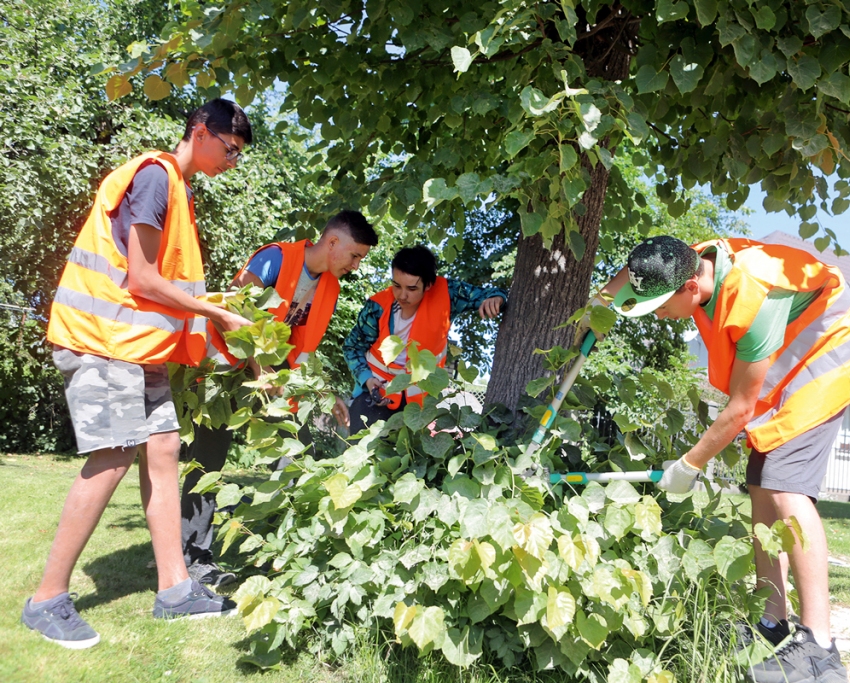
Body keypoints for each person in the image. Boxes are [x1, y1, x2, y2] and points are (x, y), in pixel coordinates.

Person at [24, 99, 253, 649]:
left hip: (138, 348)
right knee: (114, 453)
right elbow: (143, 279)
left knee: (165, 447)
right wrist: (217, 314)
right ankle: (46, 598)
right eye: (229, 149)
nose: (233, 162)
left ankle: (176, 589)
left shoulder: (177, 189)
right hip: (103, 342)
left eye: (239, 155)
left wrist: (212, 312)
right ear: (200, 131)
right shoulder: (156, 177)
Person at [601, 235, 850, 683]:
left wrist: (688, 465)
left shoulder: (753, 300)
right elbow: (633, 272)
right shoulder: (677, 258)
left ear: (690, 288)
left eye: (662, 307)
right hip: (786, 363)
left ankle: (820, 648)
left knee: (787, 488)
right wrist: (599, 307)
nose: (660, 317)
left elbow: (741, 408)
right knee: (761, 483)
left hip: (824, 356)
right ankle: (770, 623)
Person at [180, 211, 378, 587]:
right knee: (208, 461)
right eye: (354, 256)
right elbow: (232, 313)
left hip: (270, 375)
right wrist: (259, 368)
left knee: (294, 448)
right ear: (332, 242)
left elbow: (301, 350)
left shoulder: (331, 288)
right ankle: (191, 559)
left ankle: (280, 553)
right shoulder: (275, 258)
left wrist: (321, 391)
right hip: (225, 369)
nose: (356, 266)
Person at [343, 245, 507, 431]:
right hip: (374, 394)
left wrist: (496, 298)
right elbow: (352, 347)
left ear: (429, 285)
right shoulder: (376, 307)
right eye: (397, 285)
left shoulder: (448, 293)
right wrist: (366, 379)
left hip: (420, 404)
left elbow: (487, 294)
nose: (402, 295)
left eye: (412, 288)